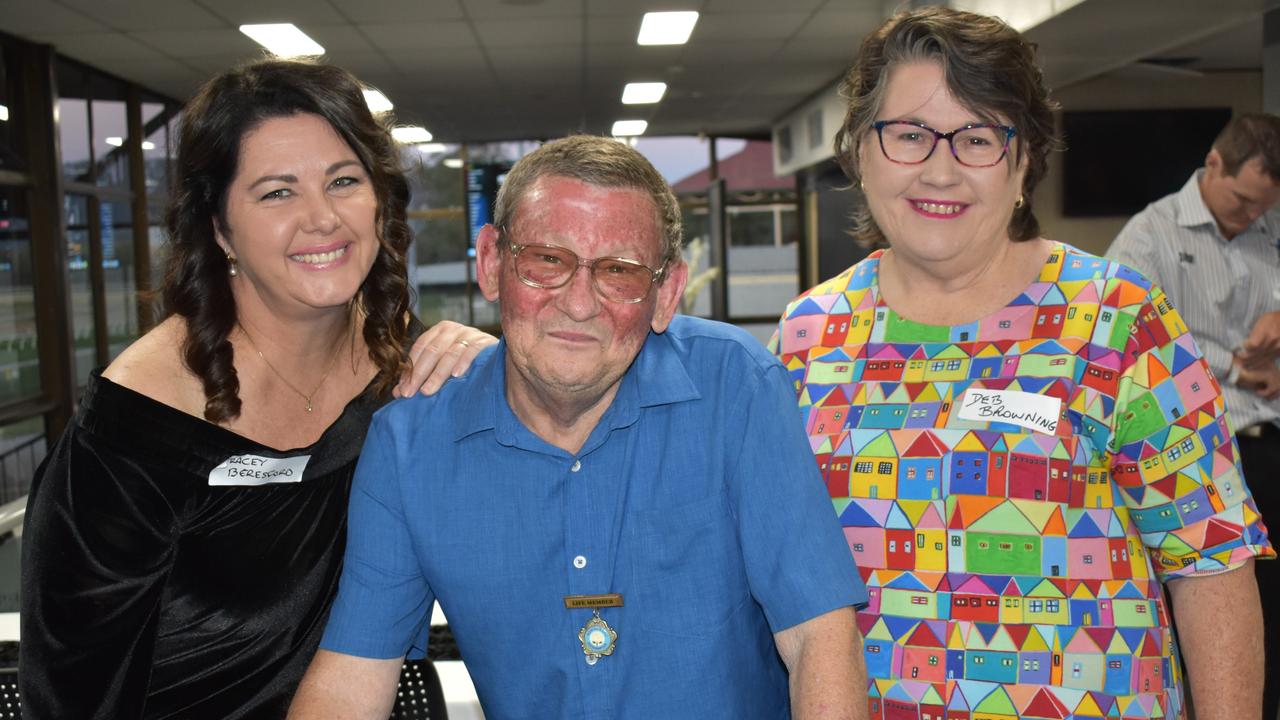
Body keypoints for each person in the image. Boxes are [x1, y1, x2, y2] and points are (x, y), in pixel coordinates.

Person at [772, 7, 1273, 720]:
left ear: (1026, 158)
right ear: (859, 149)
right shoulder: (807, 338)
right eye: (909, 134)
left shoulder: (1120, 322)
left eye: (977, 137)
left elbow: (1211, 562)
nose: (939, 170)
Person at [287, 135, 869, 720]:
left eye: (619, 271)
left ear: (665, 292)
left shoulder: (736, 386)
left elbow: (818, 635)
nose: (579, 303)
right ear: (492, 263)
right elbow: (350, 682)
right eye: (547, 260)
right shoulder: (410, 443)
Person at [19, 59, 495, 719]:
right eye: (277, 192)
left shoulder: (409, 372)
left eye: (344, 181)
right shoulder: (134, 427)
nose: (321, 218)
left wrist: (494, 371)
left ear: (380, 201)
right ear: (220, 228)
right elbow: (73, 695)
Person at [1107, 112, 1280, 720]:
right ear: (1212, 165)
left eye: (1265, 207)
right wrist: (1233, 365)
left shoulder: (1271, 229)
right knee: (1209, 617)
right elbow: (1131, 346)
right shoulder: (1147, 237)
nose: (1251, 216)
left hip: (1272, 440)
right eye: (1242, 199)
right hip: (1200, 456)